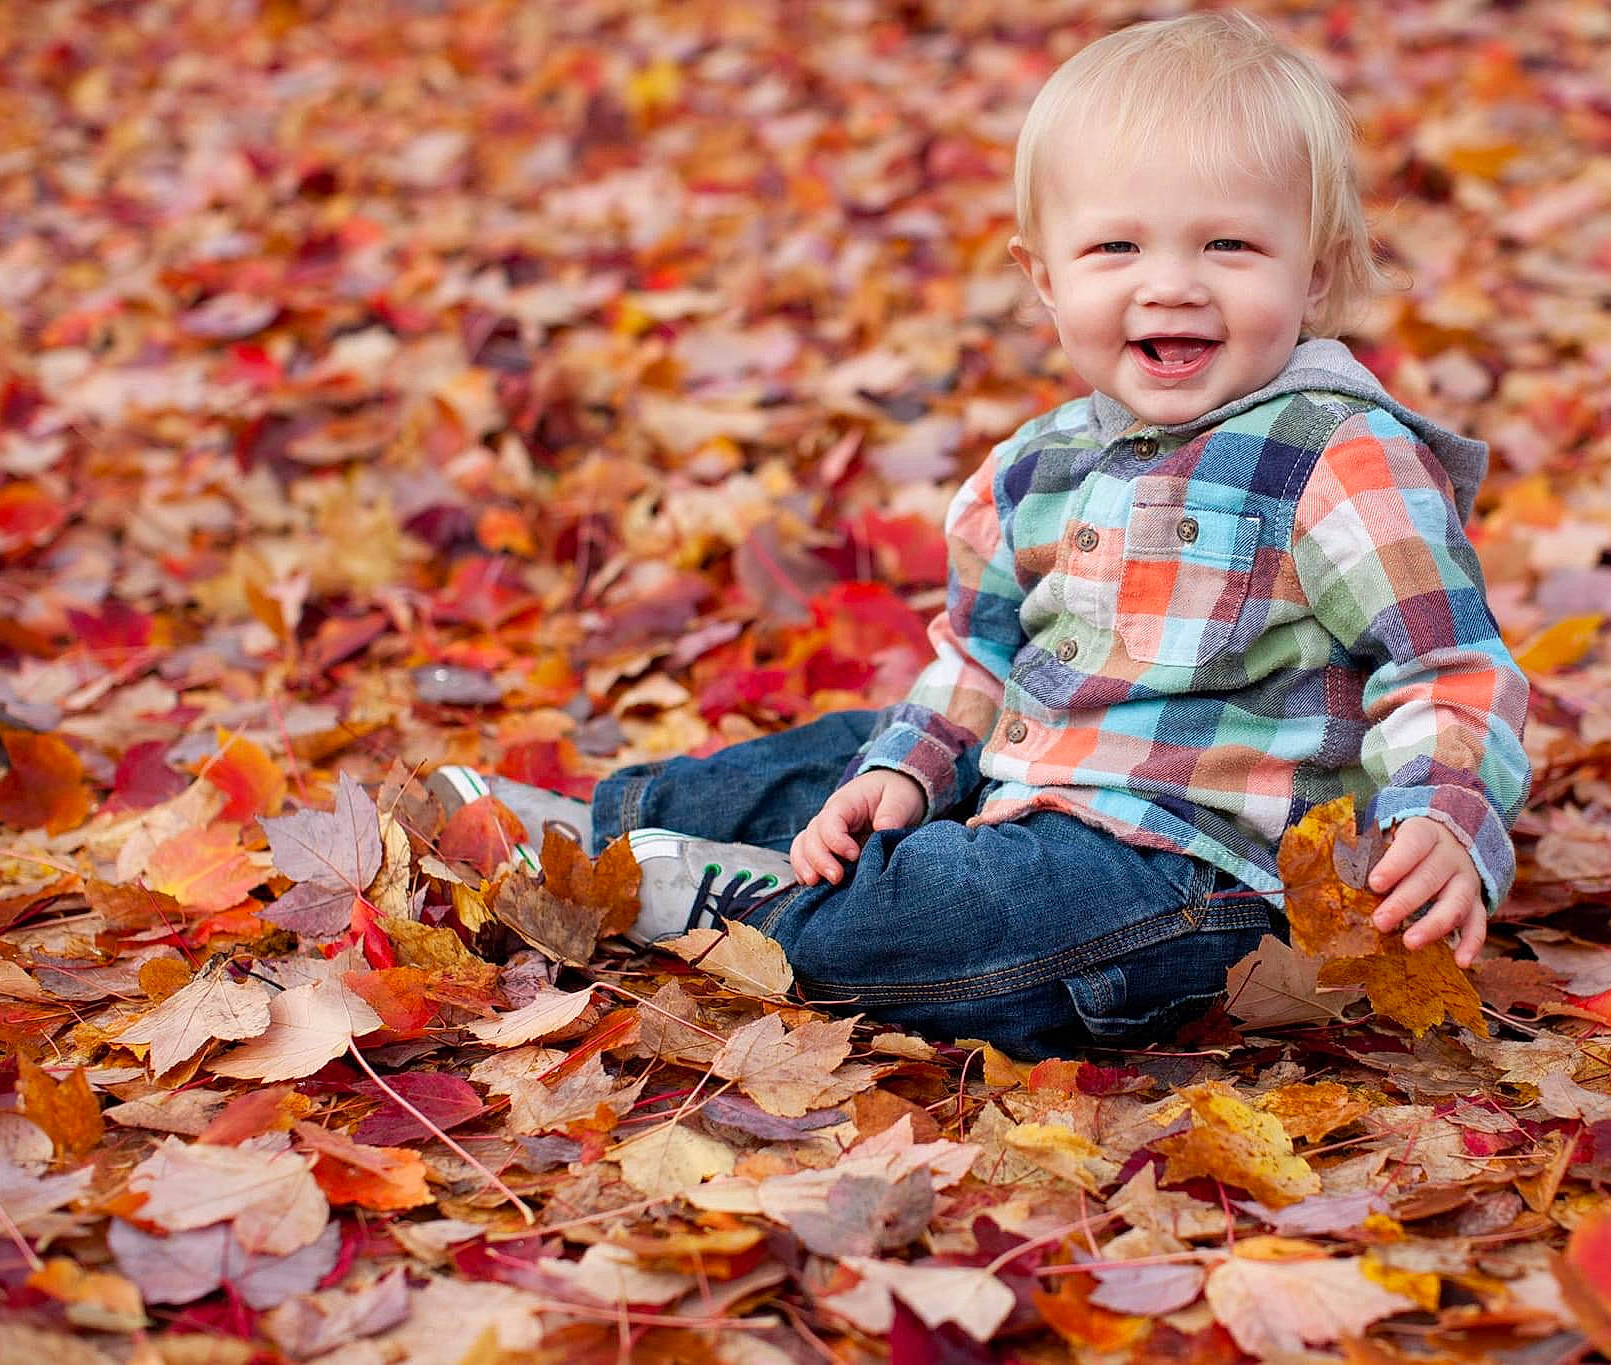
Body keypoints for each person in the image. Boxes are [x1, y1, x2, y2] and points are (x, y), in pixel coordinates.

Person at [430, 12, 1531, 1060]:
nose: (1171, 283)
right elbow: (979, 660)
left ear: (1317, 272)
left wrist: (1440, 816)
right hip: (1027, 771)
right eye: (1114, 246)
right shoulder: (1032, 467)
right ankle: (598, 831)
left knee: (1003, 920)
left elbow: (1443, 666)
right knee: (839, 752)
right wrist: (905, 771)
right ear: (1042, 278)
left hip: (1201, 871)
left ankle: (751, 905)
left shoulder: (1334, 457)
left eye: (1228, 243)